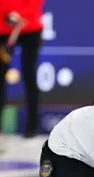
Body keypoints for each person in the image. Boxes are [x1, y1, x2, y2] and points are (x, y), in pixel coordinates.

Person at [0, 0, 44, 142]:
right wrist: (7, 15)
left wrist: (20, 16)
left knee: (30, 75)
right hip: (3, 27)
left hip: (30, 27)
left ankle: (32, 127)